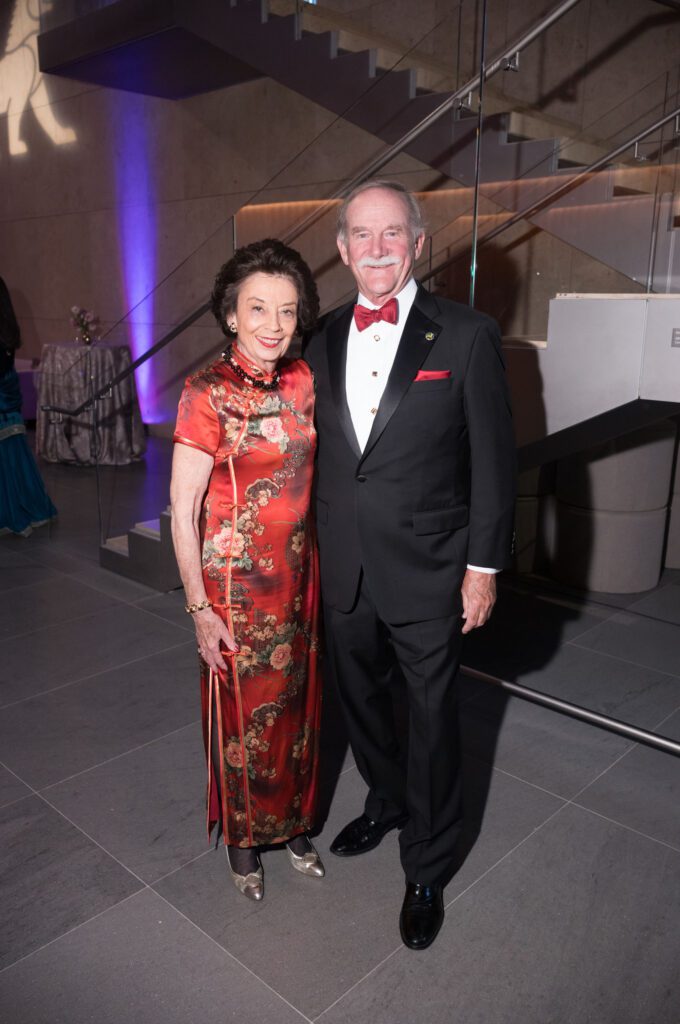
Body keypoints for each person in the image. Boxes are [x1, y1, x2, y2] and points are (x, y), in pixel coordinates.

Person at [304, 180, 516, 950]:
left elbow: (494, 463)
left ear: (419, 243)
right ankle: (387, 800)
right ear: (342, 249)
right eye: (363, 234)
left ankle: (426, 864)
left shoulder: (466, 335)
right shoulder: (319, 337)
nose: (378, 248)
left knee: (431, 719)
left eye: (394, 233)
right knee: (359, 703)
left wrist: (483, 568)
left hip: (432, 567)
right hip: (343, 565)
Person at [170, 239, 324, 902]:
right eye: (258, 308)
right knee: (240, 720)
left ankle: (290, 824)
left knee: (297, 711)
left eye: (287, 311)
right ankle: (242, 838)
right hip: (233, 589)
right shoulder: (205, 393)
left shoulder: (301, 380)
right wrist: (199, 608)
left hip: (297, 578)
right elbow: (182, 512)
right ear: (231, 314)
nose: (273, 324)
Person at [0, 275, 57, 535]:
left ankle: (11, 512)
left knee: (7, 459)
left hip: (2, 397)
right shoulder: (8, 328)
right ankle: (32, 505)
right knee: (15, 455)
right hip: (8, 393)